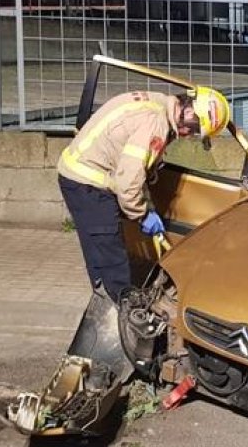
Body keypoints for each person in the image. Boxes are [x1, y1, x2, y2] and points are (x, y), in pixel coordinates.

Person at [57, 87, 230, 300]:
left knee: (100, 251)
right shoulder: (155, 125)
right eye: (193, 128)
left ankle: (104, 297)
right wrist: (143, 214)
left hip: (82, 176)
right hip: (87, 184)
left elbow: (140, 171)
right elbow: (128, 183)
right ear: (188, 110)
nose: (188, 135)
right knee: (111, 259)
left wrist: (147, 205)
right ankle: (121, 311)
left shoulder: (159, 102)